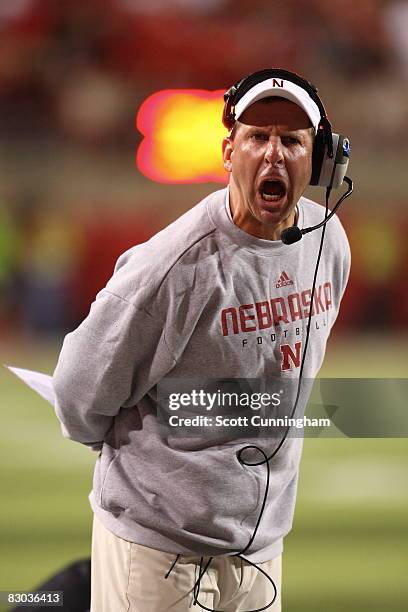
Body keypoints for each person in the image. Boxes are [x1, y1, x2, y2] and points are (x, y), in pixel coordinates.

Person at [53, 68, 351, 611]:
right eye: (257, 136)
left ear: (321, 157)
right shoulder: (172, 267)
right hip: (159, 552)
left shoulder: (327, 241)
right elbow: (77, 393)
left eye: (292, 140)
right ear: (228, 151)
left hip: (261, 550)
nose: (274, 154)